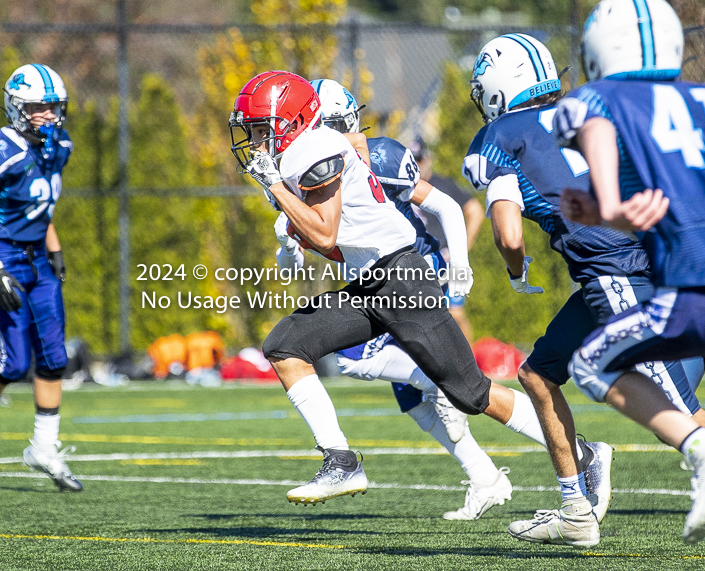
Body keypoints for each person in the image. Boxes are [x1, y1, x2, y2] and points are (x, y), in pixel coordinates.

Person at [228, 71, 604, 510]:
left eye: (259, 130)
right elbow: (335, 245)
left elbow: (327, 234)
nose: (254, 143)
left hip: (402, 280)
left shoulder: (317, 150)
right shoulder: (304, 155)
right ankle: (341, 459)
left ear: (291, 121)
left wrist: (274, 186)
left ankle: (584, 452)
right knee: (285, 345)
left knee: (472, 393)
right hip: (370, 283)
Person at [463, 32, 704, 547]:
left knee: (682, 412)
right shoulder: (588, 110)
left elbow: (507, 232)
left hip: (621, 270)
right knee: (538, 373)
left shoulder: (504, 134)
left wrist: (514, 268)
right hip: (645, 257)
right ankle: (576, 511)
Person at [552, 0, 705, 544]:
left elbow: (592, 120)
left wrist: (607, 205)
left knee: (590, 364)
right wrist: (603, 211)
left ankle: (697, 452)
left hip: (690, 293)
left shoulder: (602, 96)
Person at [0, 63, 82, 492]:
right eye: (39, 107)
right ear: (17, 107)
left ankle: (44, 447)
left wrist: (55, 246)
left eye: (53, 106)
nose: (48, 114)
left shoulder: (57, 145)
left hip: (39, 256)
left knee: (55, 357)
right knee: (15, 362)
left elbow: (41, 209)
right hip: (2, 254)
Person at [409, 138, 484, 342]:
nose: (416, 164)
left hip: (445, 260)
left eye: (419, 159)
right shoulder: (400, 186)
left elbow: (475, 212)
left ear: (428, 159)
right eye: (411, 159)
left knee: (455, 314)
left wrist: (460, 250)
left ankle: (472, 369)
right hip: (414, 261)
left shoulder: (444, 184)